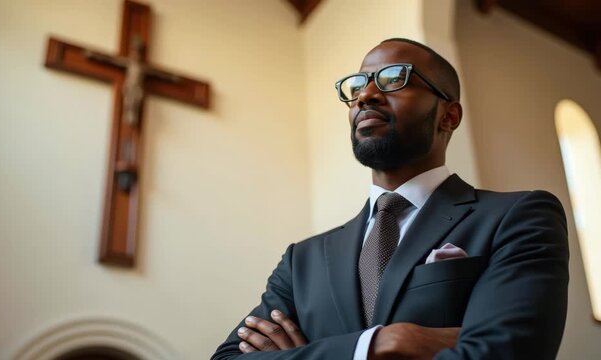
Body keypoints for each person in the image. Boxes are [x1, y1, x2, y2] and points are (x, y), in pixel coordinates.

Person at [211, 38, 569, 360]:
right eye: (357, 86)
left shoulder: (519, 216)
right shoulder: (301, 261)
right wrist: (384, 343)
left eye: (394, 78)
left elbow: (507, 353)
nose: (366, 95)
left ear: (449, 116)